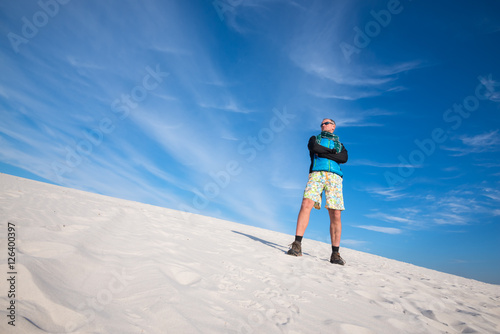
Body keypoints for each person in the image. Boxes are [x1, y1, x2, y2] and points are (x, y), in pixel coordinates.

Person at [287, 118, 348, 265]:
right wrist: (332, 154)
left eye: (326, 123)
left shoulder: (340, 145)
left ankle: (335, 254)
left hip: (335, 177)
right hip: (317, 173)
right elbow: (315, 149)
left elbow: (344, 158)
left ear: (333, 126)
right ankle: (297, 244)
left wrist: (326, 153)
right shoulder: (315, 139)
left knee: (336, 212)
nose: (323, 125)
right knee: (306, 203)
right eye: (321, 124)